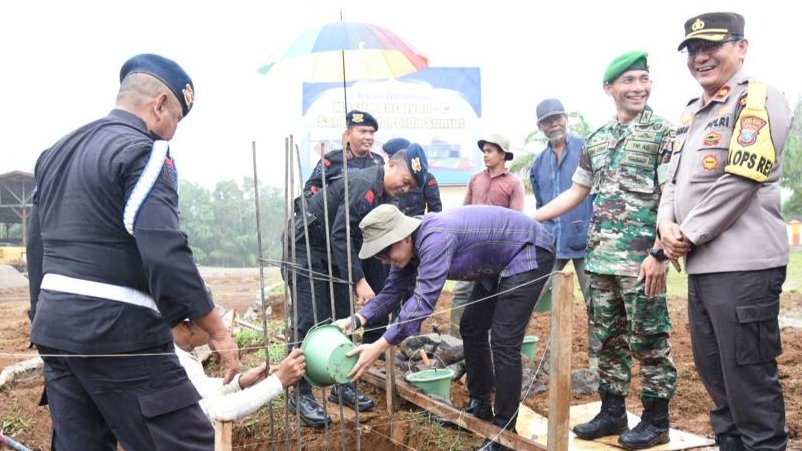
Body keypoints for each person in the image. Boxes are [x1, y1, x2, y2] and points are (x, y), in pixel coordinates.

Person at [26, 54, 240, 450]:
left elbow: (36, 243)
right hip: (118, 334)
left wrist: (42, 314)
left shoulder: (57, 150)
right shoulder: (145, 152)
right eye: (176, 118)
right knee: (186, 443)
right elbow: (165, 250)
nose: (172, 132)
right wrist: (216, 328)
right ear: (159, 104)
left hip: (56, 330)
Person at [659, 12, 793, 450]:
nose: (701, 57)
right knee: (718, 387)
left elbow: (741, 178)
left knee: (749, 387)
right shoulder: (690, 113)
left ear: (741, 47)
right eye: (693, 50)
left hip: (744, 268)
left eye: (711, 46)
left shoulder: (758, 98)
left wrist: (688, 233)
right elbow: (672, 181)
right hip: (702, 270)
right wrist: (665, 226)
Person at [532, 51, 677, 449]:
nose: (638, 88)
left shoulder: (664, 133)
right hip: (598, 261)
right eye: (629, 81)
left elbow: (674, 196)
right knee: (607, 339)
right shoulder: (596, 139)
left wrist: (661, 252)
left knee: (649, 339)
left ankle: (656, 420)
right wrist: (534, 219)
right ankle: (613, 411)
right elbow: (577, 191)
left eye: (644, 79)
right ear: (609, 88)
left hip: (642, 261)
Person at [336, 204, 555, 451]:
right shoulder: (410, 249)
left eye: (386, 251)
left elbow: (422, 302)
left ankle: (503, 432)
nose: (386, 260)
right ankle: (480, 404)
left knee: (504, 341)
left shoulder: (435, 239)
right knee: (471, 326)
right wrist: (356, 320)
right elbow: (391, 293)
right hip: (498, 262)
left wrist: (379, 345)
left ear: (404, 236)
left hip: (529, 249)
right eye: (380, 257)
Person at [284, 145, 427, 427]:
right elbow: (341, 233)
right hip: (307, 246)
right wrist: (358, 280)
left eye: (411, 186)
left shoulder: (386, 200)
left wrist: (372, 284)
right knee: (309, 316)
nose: (405, 188)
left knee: (343, 315)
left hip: (334, 251)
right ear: (392, 166)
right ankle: (299, 393)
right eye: (406, 181)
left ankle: (342, 384)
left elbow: (365, 242)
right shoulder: (364, 185)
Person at [529, 98, 596, 368]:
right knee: (528, 296)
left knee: (596, 305)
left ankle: (596, 362)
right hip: (551, 243)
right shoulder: (538, 164)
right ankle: (518, 357)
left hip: (586, 242)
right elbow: (540, 206)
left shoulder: (586, 148)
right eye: (547, 121)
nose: (553, 124)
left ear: (566, 118)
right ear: (540, 127)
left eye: (557, 118)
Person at [450, 134, 525, 338]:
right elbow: (463, 212)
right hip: (470, 249)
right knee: (461, 292)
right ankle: (454, 341)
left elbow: (517, 221)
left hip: (496, 253)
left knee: (495, 296)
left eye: (490, 151)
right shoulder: (476, 179)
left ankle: (489, 340)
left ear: (502, 155)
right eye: (484, 151)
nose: (485, 155)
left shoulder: (514, 183)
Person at [172, 319, 305, 422]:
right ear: (184, 326)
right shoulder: (173, 363)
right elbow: (218, 410)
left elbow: (201, 390)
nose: (215, 326)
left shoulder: (180, 351)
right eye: (206, 319)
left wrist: (240, 382)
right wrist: (278, 381)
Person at [303, 110, 384, 198]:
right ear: (348, 135)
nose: (368, 137)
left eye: (371, 133)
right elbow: (310, 189)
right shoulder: (331, 160)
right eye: (363, 132)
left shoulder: (378, 161)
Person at [382, 138, 443, 216]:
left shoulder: (427, 179)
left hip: (416, 224)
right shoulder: (385, 177)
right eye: (389, 157)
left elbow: (435, 210)